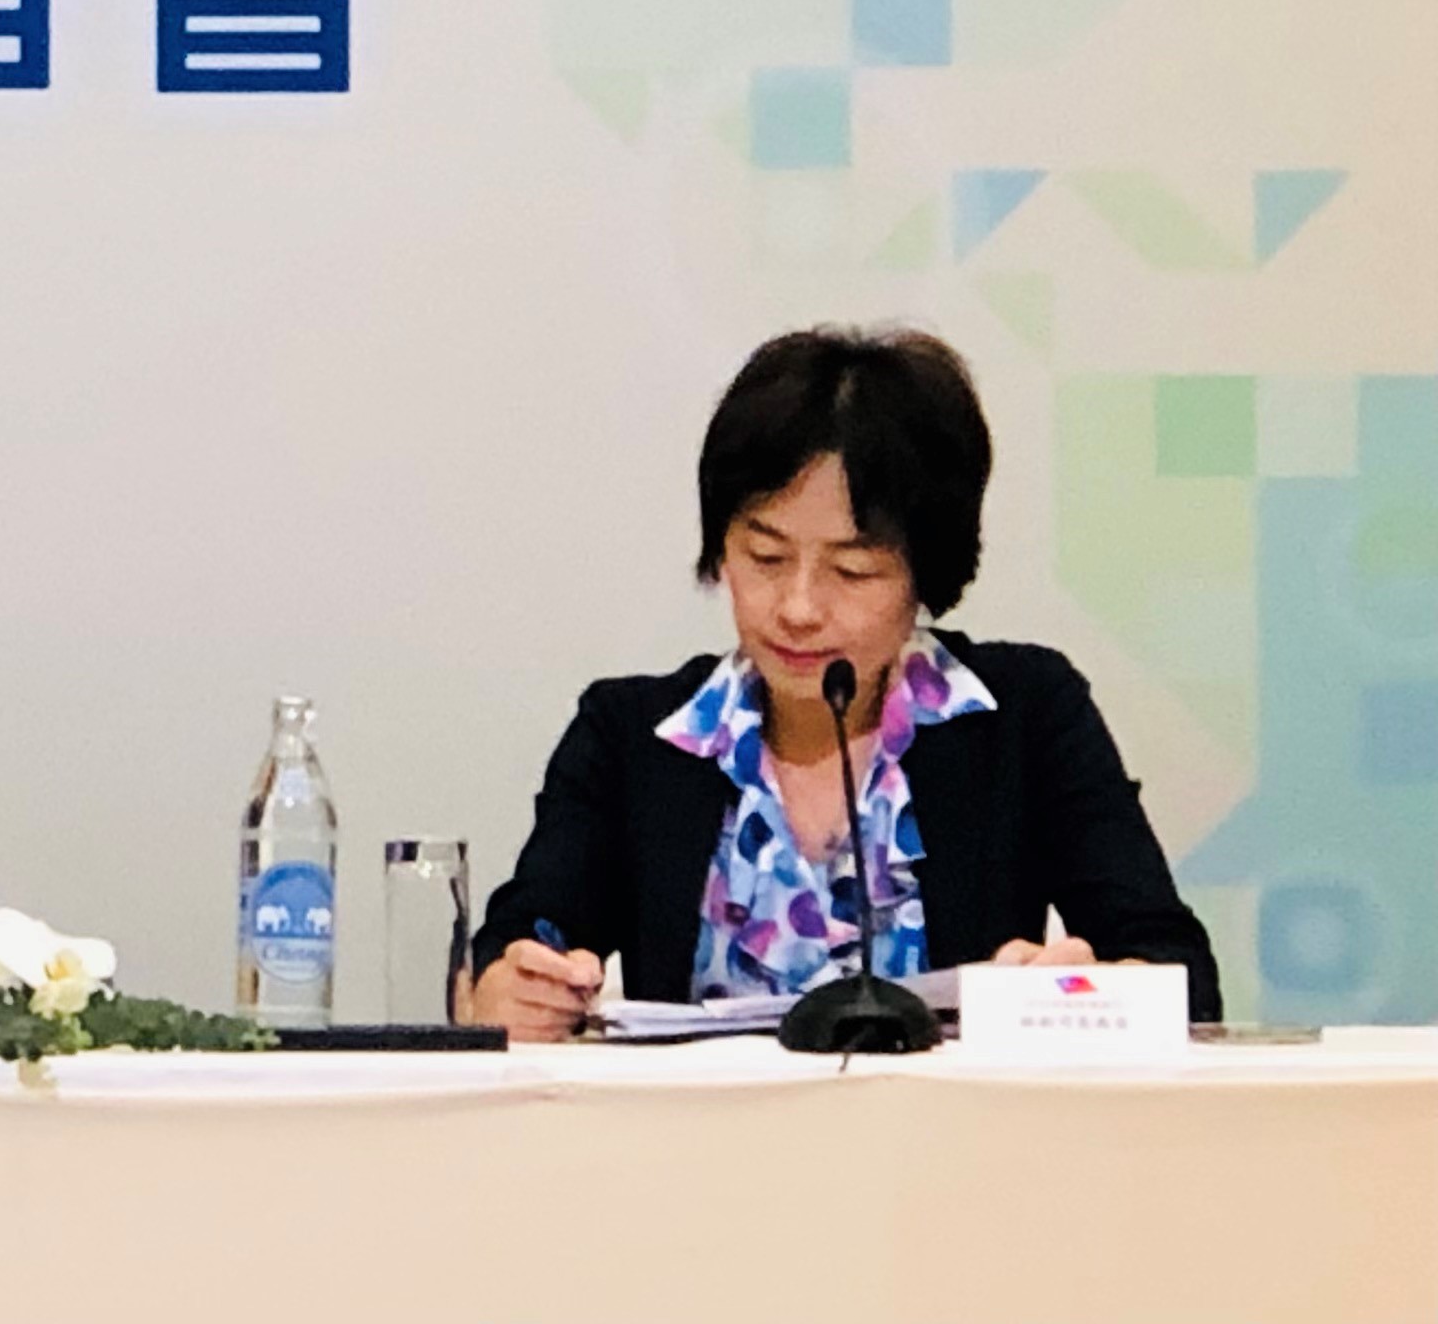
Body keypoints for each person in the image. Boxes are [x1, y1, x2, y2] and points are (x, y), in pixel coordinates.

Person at [467, 326, 1218, 1036]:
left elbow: (1180, 973)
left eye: (853, 571)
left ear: (926, 575)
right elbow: (519, 943)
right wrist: (514, 989)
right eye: (764, 558)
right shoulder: (632, 734)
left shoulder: (1024, 714)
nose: (798, 609)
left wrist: (1086, 993)